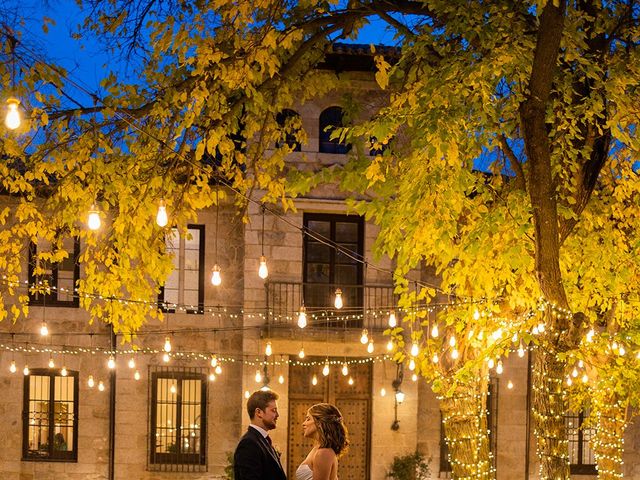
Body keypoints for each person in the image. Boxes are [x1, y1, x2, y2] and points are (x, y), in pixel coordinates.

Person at [234, 389, 286, 480]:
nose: (278, 415)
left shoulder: (262, 439)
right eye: (274, 410)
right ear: (259, 412)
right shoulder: (249, 444)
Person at [296, 403, 349, 480]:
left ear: (319, 422)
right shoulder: (319, 449)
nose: (303, 423)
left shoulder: (324, 453)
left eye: (308, 419)